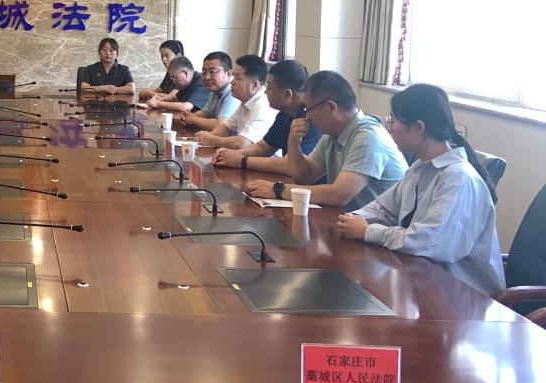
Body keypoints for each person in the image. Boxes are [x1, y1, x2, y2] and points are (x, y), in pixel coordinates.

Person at [335, 84, 504, 295]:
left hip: (463, 296)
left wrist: (368, 231)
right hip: (425, 282)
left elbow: (429, 242)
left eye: (393, 121)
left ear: (419, 127)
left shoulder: (459, 178)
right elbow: (383, 208)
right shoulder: (419, 168)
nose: (390, 128)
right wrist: (353, 219)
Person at [246, 70, 406, 210]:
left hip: (382, 229)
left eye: (308, 109)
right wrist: (293, 143)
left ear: (331, 107)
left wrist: (278, 190)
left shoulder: (367, 137)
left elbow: (339, 194)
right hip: (352, 221)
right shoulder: (332, 134)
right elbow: (305, 176)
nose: (307, 116)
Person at [214, 59, 320, 174]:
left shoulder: (312, 118)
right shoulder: (285, 114)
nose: (265, 92)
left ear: (287, 94)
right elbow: (264, 147)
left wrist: (242, 161)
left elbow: (290, 164)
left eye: (269, 87)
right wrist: (233, 154)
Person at [194, 55, 276, 148]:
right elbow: (226, 128)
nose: (232, 82)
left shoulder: (263, 105)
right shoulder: (245, 101)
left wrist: (212, 140)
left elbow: (243, 143)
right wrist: (209, 135)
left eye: (237, 78)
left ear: (254, 85)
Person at [180, 51, 239, 131]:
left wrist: (193, 119)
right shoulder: (215, 92)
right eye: (204, 72)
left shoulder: (234, 93)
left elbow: (221, 125)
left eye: (212, 72)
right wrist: (187, 115)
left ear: (228, 73)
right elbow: (205, 113)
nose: (207, 77)